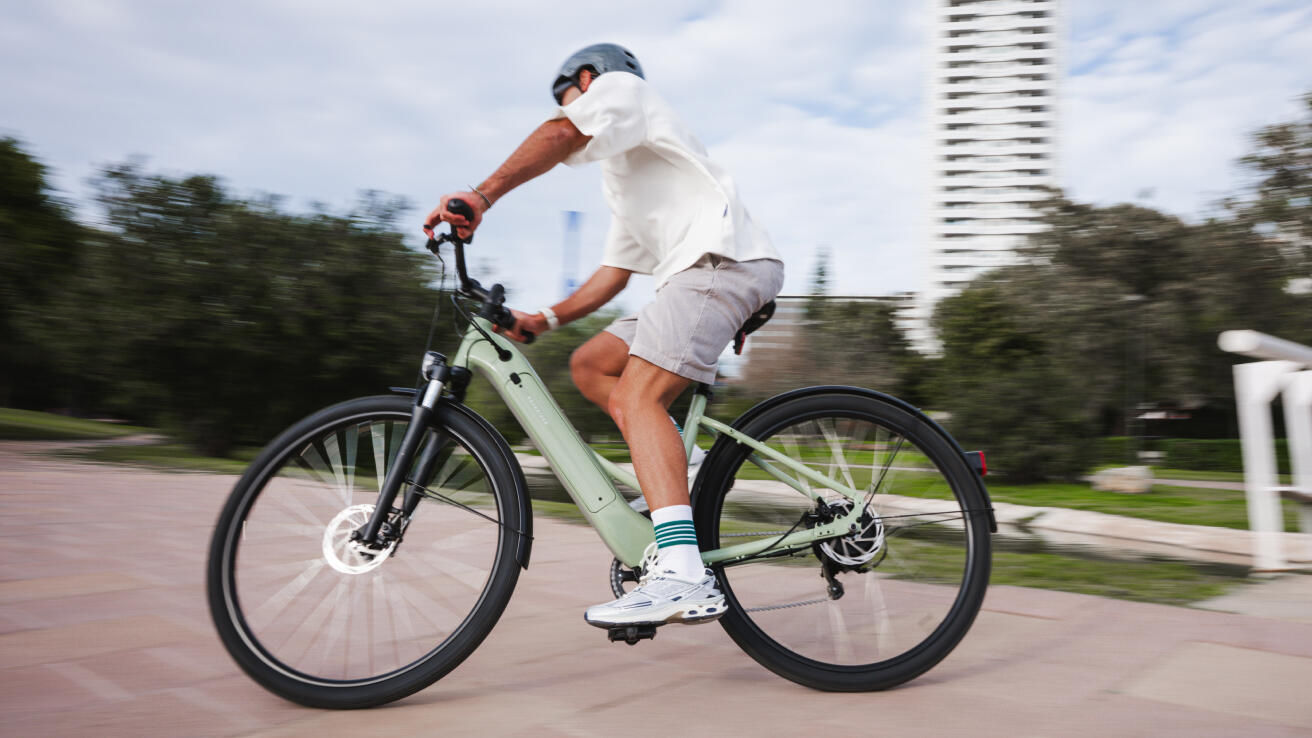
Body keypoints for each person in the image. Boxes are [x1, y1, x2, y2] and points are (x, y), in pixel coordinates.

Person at [423, 43, 784, 630]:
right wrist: (546, 320)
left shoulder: (622, 90)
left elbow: (561, 132)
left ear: (586, 80)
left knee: (639, 396)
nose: (572, 111)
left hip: (718, 263)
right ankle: (681, 476)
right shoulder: (629, 171)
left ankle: (684, 575)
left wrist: (481, 196)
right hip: (699, 273)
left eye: (569, 97)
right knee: (593, 365)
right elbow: (615, 273)